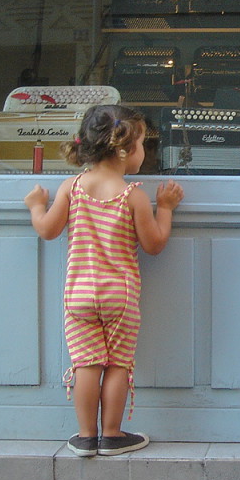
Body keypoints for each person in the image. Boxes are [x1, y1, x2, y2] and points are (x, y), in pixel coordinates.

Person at [24, 104, 184, 458]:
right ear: (125, 149)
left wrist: (36, 205)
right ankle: (111, 435)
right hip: (120, 297)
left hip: (78, 295)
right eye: (143, 144)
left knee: (86, 364)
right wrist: (167, 208)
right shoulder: (134, 196)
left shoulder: (72, 187)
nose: (145, 153)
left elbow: (48, 231)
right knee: (117, 364)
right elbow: (154, 244)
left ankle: (85, 437)